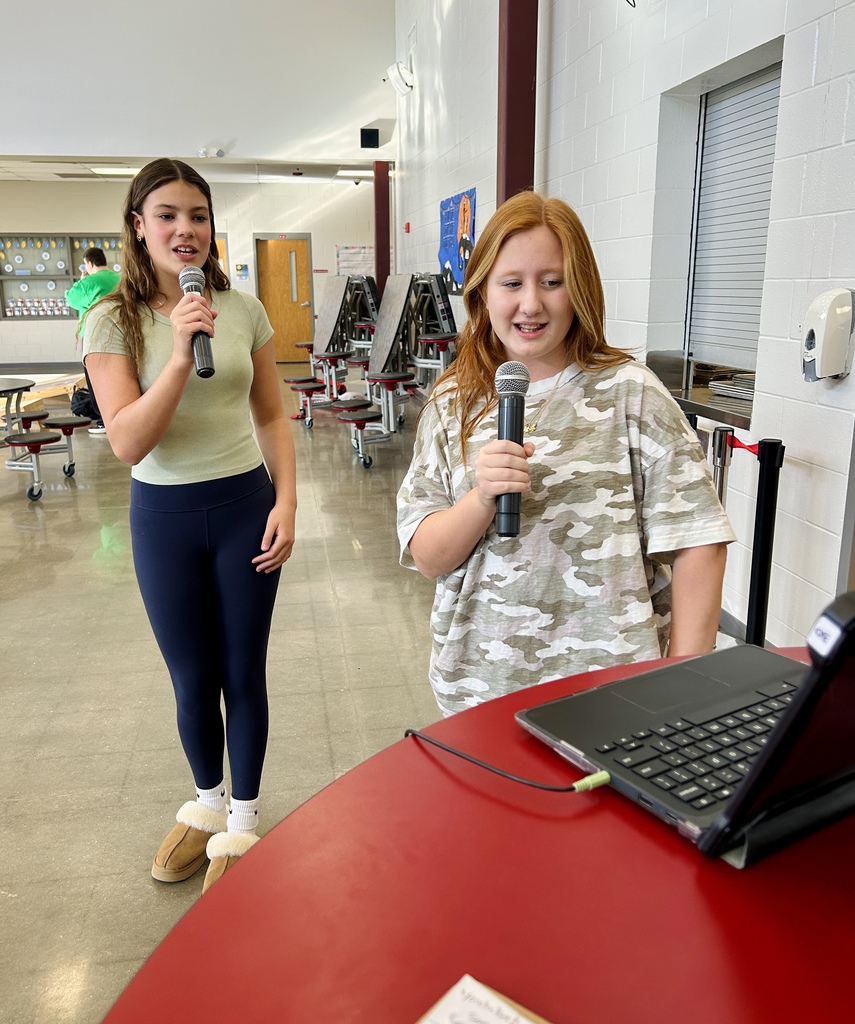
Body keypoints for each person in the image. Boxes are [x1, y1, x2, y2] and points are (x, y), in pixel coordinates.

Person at [397, 191, 736, 717]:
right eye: (511, 283)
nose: (531, 304)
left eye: (552, 282)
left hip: (615, 693)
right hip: (479, 688)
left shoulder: (631, 392)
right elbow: (426, 557)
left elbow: (699, 542)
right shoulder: (451, 402)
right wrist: (481, 498)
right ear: (483, 293)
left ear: (579, 289)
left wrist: (682, 687)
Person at [83, 158, 297, 892]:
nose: (185, 230)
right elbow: (127, 441)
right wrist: (176, 354)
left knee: (243, 670)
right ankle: (205, 805)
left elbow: (271, 412)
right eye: (167, 215)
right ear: (138, 227)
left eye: (198, 216)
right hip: (163, 517)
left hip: (245, 506)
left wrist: (287, 502)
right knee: (191, 676)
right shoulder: (109, 319)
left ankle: (242, 824)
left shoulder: (242, 310)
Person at [65, 247, 121, 433]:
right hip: (122, 334)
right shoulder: (119, 278)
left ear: (89, 263)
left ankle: (103, 419)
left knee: (96, 379)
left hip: (94, 337)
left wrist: (83, 280)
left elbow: (71, 300)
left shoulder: (89, 281)